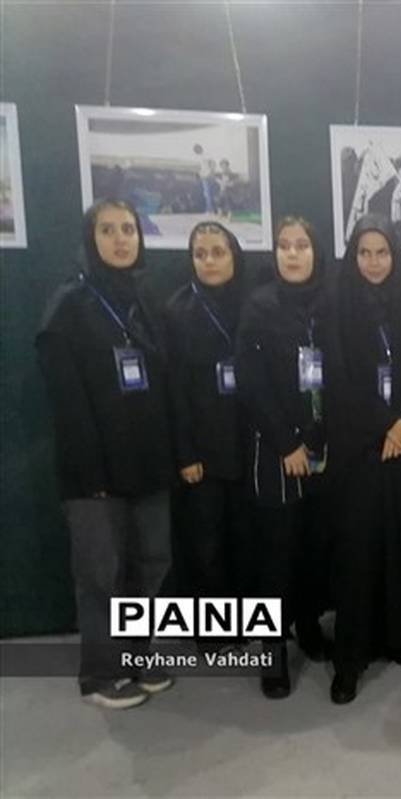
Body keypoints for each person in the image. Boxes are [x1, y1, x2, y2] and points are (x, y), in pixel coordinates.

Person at [36, 199, 174, 709]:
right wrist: (90, 474)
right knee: (101, 573)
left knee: (151, 563)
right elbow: (67, 402)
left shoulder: (144, 300)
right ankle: (100, 674)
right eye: (109, 230)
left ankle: (138, 656)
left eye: (129, 229)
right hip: (93, 473)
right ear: (90, 239)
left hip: (147, 465)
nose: (121, 240)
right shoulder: (68, 307)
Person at [325, 215, 401, 704]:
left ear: (395, 256)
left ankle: (396, 636)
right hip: (360, 447)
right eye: (365, 253)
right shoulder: (337, 305)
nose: (374, 263)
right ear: (353, 257)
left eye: (382, 253)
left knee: (399, 544)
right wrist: (385, 425)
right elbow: (340, 379)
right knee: (357, 552)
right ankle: (349, 659)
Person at [235, 216, 334, 699]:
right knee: (277, 553)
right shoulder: (259, 306)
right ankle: (271, 650)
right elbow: (251, 384)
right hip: (277, 451)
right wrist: (286, 443)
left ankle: (308, 624)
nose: (293, 254)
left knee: (315, 545)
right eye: (284, 246)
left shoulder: (331, 303)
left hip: (323, 447)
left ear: (316, 252)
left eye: (302, 245)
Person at [164, 222, 254, 648]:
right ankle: (214, 632)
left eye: (218, 252)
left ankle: (248, 621)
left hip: (248, 444)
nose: (210, 261)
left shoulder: (253, 304)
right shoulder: (177, 311)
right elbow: (174, 389)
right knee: (207, 544)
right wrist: (186, 453)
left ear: (234, 255)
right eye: (200, 254)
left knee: (245, 538)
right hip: (202, 451)